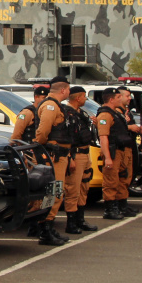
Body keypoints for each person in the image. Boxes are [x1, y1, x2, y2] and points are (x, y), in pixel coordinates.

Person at [33, 77, 73, 246]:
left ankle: (48, 226)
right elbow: (42, 132)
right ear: (63, 90)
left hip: (60, 156)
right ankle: (45, 229)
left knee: (57, 192)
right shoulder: (50, 106)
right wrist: (43, 149)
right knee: (52, 192)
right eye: (68, 89)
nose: (69, 92)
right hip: (52, 156)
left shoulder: (57, 106)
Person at [12, 85, 50, 237]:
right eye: (42, 98)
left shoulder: (44, 113)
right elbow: (16, 136)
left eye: (46, 98)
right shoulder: (27, 113)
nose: (44, 101)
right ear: (36, 97)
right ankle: (33, 226)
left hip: (42, 155)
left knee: (42, 192)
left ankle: (38, 223)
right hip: (30, 155)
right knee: (34, 192)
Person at [63, 86, 98, 234]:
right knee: (73, 189)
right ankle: (71, 223)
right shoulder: (66, 113)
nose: (85, 99)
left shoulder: (81, 113)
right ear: (78, 98)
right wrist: (69, 157)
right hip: (75, 154)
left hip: (85, 153)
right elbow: (66, 138)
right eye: (84, 96)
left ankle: (80, 219)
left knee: (84, 188)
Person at [96, 88, 133, 220]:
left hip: (121, 151)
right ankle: (110, 209)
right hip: (113, 151)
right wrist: (107, 157)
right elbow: (103, 137)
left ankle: (121, 206)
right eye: (118, 97)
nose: (120, 99)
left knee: (122, 179)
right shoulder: (105, 115)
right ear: (111, 100)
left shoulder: (116, 113)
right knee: (111, 181)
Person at [117, 86, 142, 217]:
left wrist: (137, 128)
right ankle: (118, 206)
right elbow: (114, 128)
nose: (130, 98)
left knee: (128, 176)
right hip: (120, 148)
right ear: (119, 96)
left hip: (130, 145)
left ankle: (123, 203)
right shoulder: (115, 112)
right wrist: (130, 127)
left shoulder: (126, 111)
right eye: (127, 96)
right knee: (120, 178)